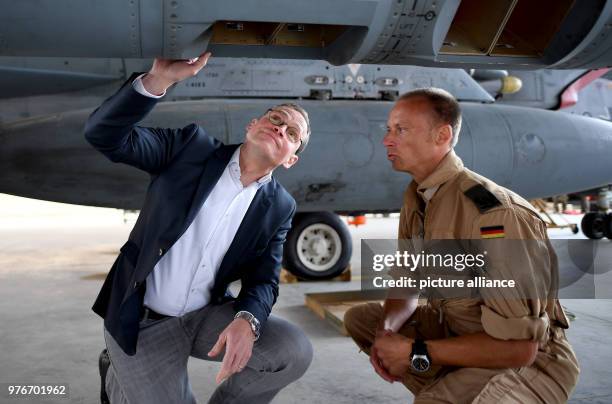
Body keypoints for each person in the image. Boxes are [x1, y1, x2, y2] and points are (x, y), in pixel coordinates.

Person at [85, 52, 313, 404]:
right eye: (275, 118)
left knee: (292, 351)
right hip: (144, 322)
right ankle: (118, 374)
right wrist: (157, 81)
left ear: (290, 159)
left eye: (292, 133)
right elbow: (105, 135)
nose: (281, 128)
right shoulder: (190, 149)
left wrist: (247, 320)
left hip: (206, 317)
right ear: (252, 125)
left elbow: (263, 279)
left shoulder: (280, 206)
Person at [344, 88, 579, 403]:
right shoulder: (419, 197)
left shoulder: (493, 214)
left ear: (441, 136)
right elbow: (406, 282)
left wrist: (414, 351)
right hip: (462, 334)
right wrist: (386, 335)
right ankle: (453, 386)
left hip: (531, 361)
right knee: (363, 321)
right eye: (388, 129)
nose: (387, 140)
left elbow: (521, 347)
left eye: (401, 130)